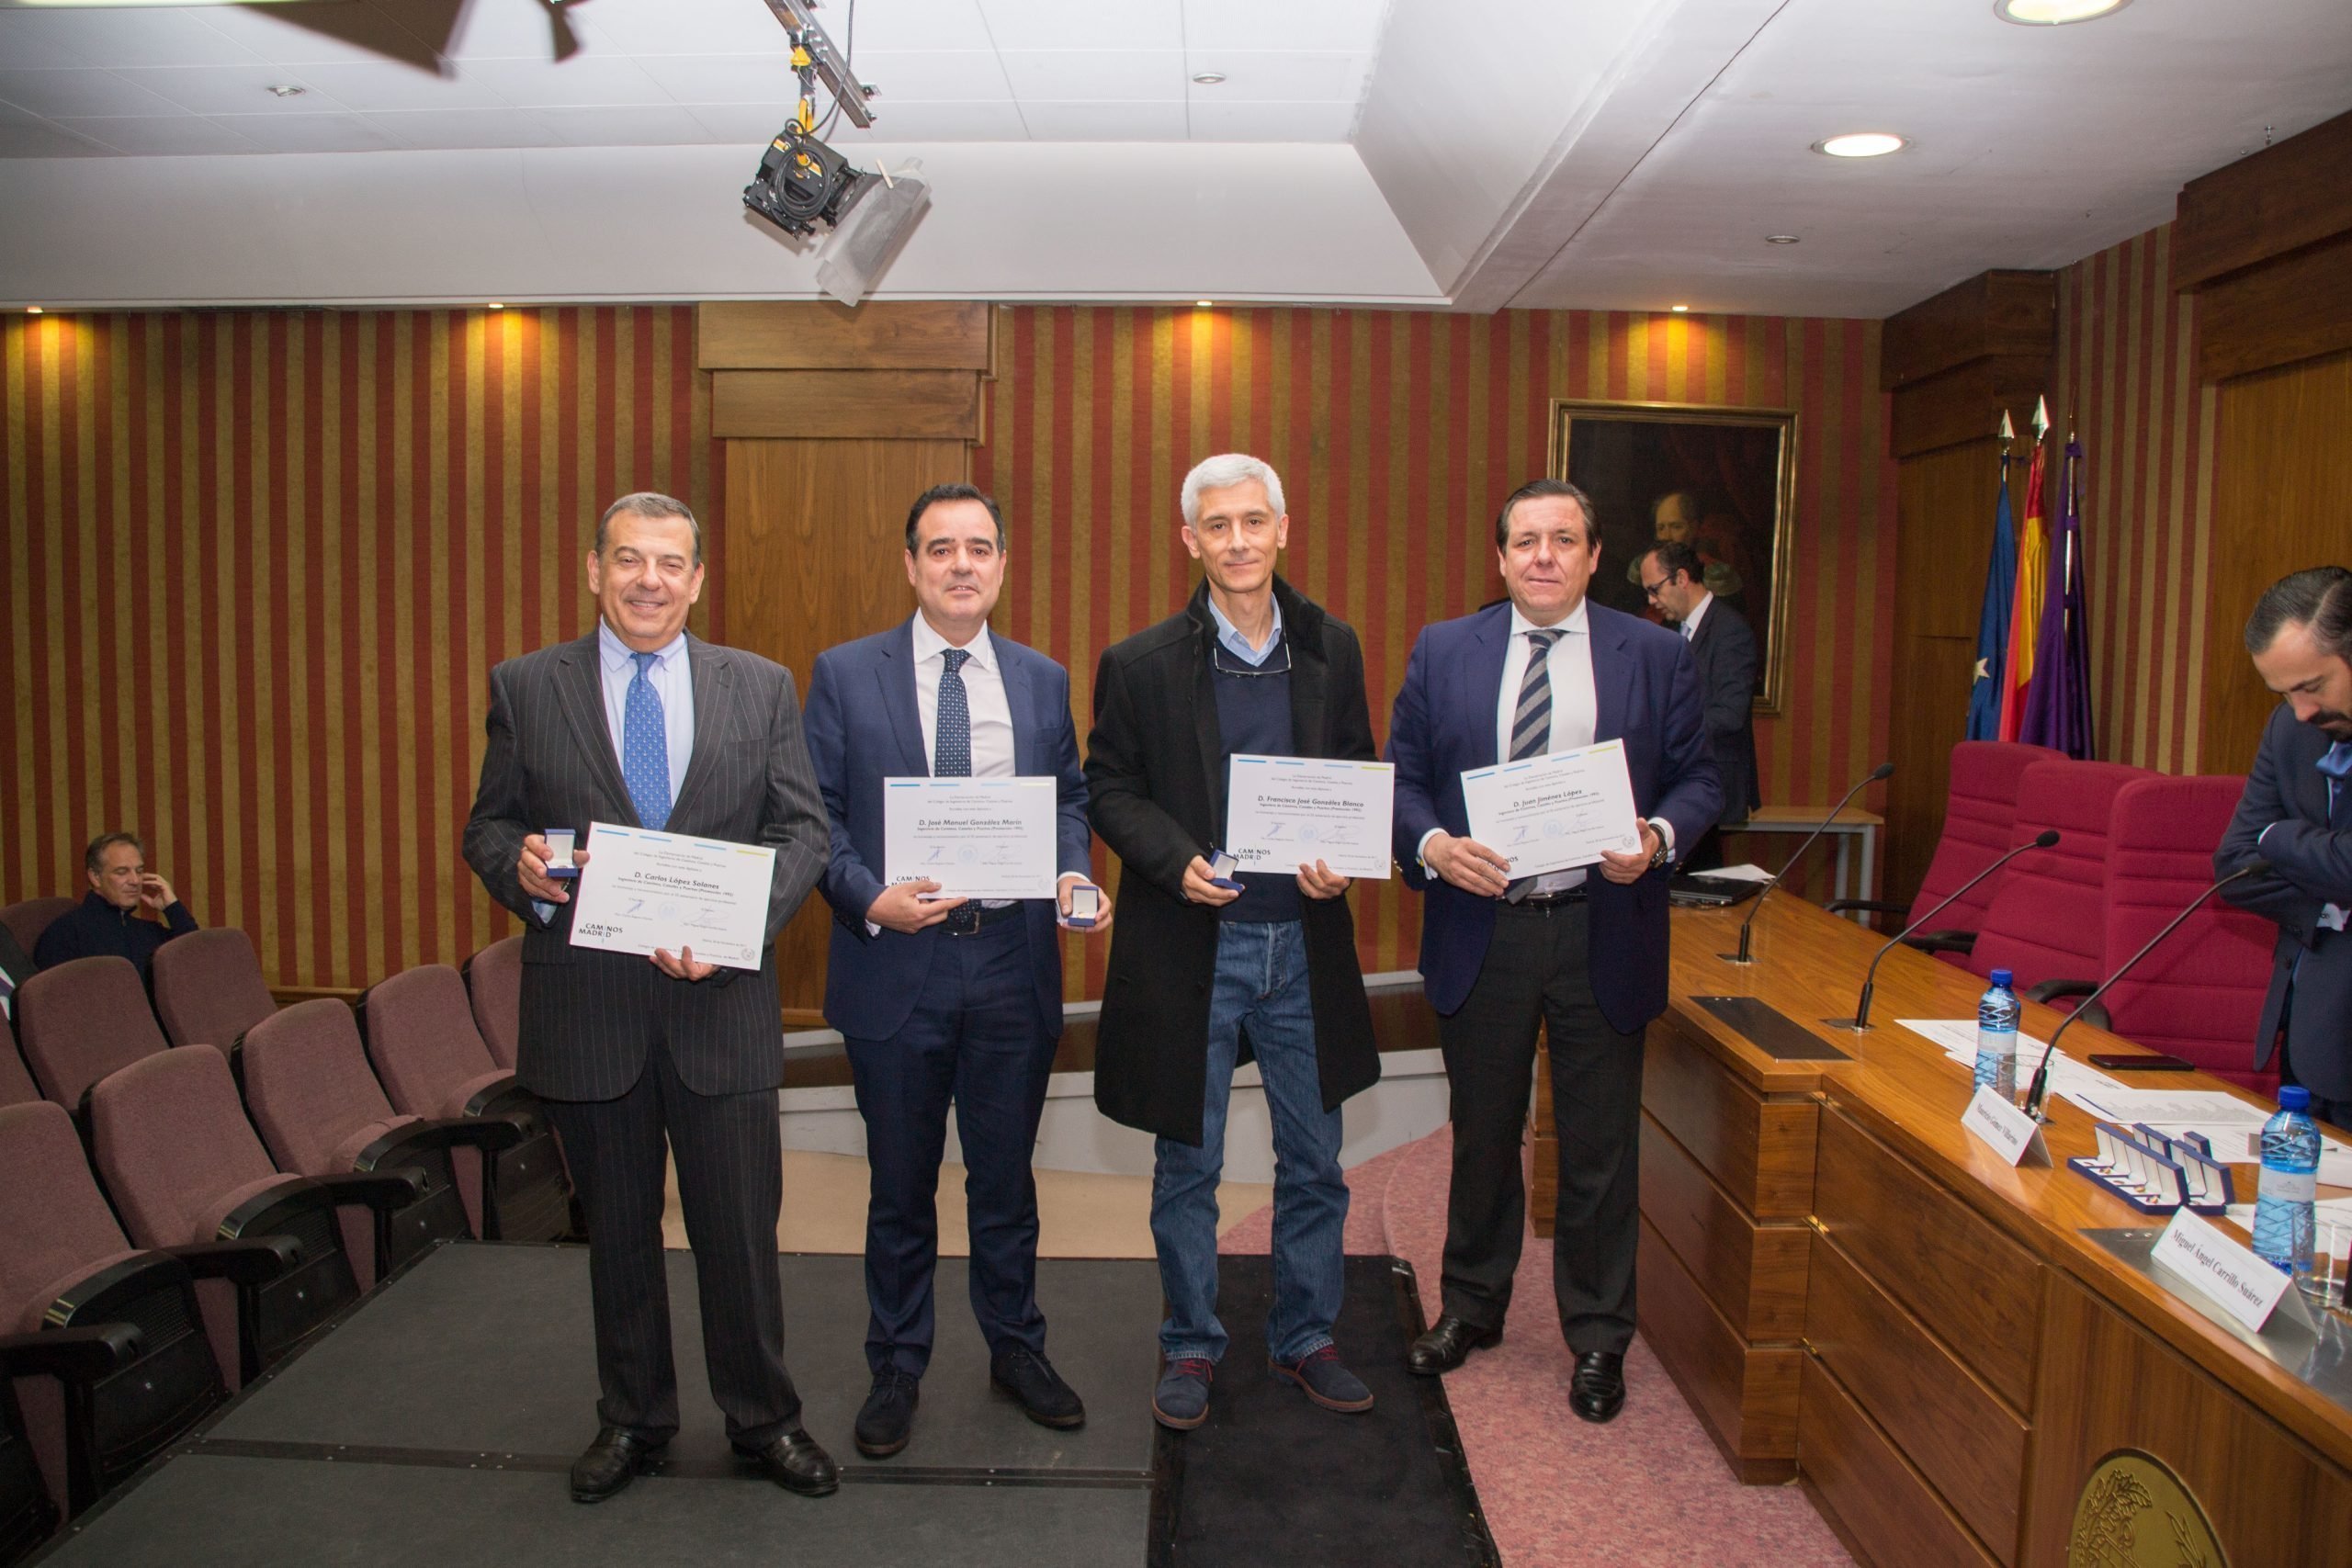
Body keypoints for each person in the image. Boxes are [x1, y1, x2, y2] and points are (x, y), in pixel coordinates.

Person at [462, 491, 836, 1503]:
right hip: (590, 1013)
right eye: (628, 559)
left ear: (698, 579)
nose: (648, 580)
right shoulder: (526, 685)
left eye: (670, 563)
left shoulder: (759, 686)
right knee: (618, 1240)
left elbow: (803, 831)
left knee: (739, 1238)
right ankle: (634, 1418)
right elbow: (489, 826)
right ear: (594, 569)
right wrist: (522, 872)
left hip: (722, 1009)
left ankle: (765, 1420)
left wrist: (737, 931)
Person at [1387, 478, 1718, 1424]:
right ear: (1500, 558)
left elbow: (1702, 778)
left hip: (1598, 925)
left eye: (1563, 539)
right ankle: (1471, 1306)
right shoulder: (1444, 648)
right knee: (1483, 1133)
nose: (1543, 556)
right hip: (1482, 926)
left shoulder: (1652, 654)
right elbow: (1403, 778)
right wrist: (1433, 845)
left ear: (1593, 555)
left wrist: (1656, 837)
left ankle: (1600, 1334)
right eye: (1525, 540)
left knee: (1599, 1146)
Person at [801, 484, 1110, 1461]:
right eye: (941, 548)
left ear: (1002, 565)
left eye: (979, 547)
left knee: (1004, 1181)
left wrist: (1070, 870)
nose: (961, 564)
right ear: (911, 565)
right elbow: (815, 816)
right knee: (899, 1187)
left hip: (1012, 960)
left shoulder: (1039, 679)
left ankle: (1016, 1348)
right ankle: (896, 1364)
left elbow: (1068, 798)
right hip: (896, 963)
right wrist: (868, 898)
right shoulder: (844, 674)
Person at [1085, 453, 1382, 1431]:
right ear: (1190, 540)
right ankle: (1190, 1343)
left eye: (1254, 521)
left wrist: (1341, 859)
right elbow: (1109, 787)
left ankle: (1306, 1336)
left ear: (1282, 528)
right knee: (1190, 1163)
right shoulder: (1139, 663)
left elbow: (1354, 772)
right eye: (1218, 525)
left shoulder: (1331, 646)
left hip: (1305, 943)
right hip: (1193, 947)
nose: (1239, 540)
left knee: (1316, 1160)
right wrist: (1174, 861)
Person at [2219, 565, 2352, 1128]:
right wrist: (2335, 899)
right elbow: (2235, 865)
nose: (2301, 710)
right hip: (2311, 1023)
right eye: (2285, 692)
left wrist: (2282, 837)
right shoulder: (2290, 728)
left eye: (2312, 686)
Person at [1639, 540, 1760, 869]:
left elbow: (1730, 714)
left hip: (1711, 781)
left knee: (1698, 880)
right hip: (1675, 784)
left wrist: (1666, 732)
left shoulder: (1730, 630)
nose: (1651, 601)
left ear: (1681, 578)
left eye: (1654, 589)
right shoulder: (1671, 633)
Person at [35, 833, 198, 976]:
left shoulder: (148, 931)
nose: (135, 880)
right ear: (95, 877)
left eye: (139, 871)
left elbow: (197, 957)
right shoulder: (65, 933)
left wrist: (172, 907)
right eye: (122, 872)